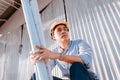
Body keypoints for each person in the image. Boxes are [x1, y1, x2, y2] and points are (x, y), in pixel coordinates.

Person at [30, 21, 98, 80]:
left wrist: (60, 56)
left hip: (86, 78)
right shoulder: (54, 52)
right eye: (59, 30)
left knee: (76, 65)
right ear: (53, 36)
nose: (63, 31)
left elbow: (86, 60)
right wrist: (38, 61)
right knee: (36, 76)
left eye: (65, 29)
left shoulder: (80, 43)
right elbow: (46, 70)